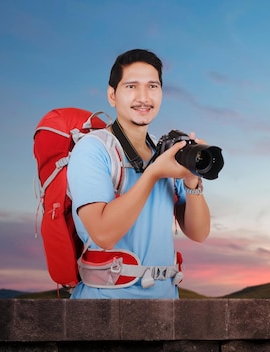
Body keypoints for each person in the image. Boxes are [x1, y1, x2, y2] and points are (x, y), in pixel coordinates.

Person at [67, 49, 211, 299]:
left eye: (152, 86)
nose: (143, 97)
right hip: (106, 305)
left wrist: (191, 179)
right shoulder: (93, 149)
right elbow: (103, 235)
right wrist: (153, 173)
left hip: (166, 304)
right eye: (131, 86)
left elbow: (199, 233)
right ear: (112, 95)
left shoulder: (165, 151)